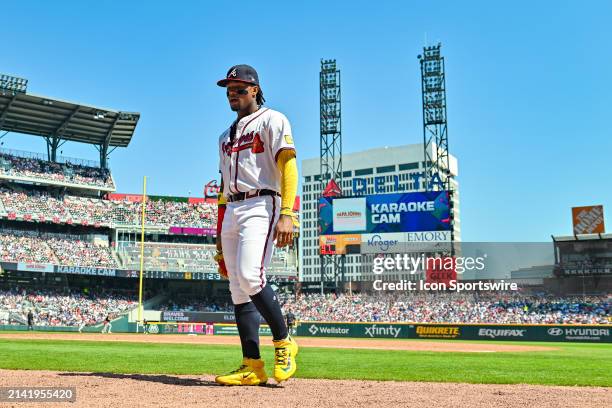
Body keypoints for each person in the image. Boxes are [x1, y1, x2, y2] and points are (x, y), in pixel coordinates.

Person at [214, 64, 299, 386]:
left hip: (262, 202)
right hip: (233, 207)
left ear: (254, 90)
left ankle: (284, 341)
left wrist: (288, 214)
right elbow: (223, 190)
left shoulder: (272, 119)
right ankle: (252, 364)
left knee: (251, 276)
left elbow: (288, 167)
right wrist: (220, 240)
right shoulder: (224, 136)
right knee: (237, 288)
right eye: (228, 90)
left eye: (238, 89)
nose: (232, 94)